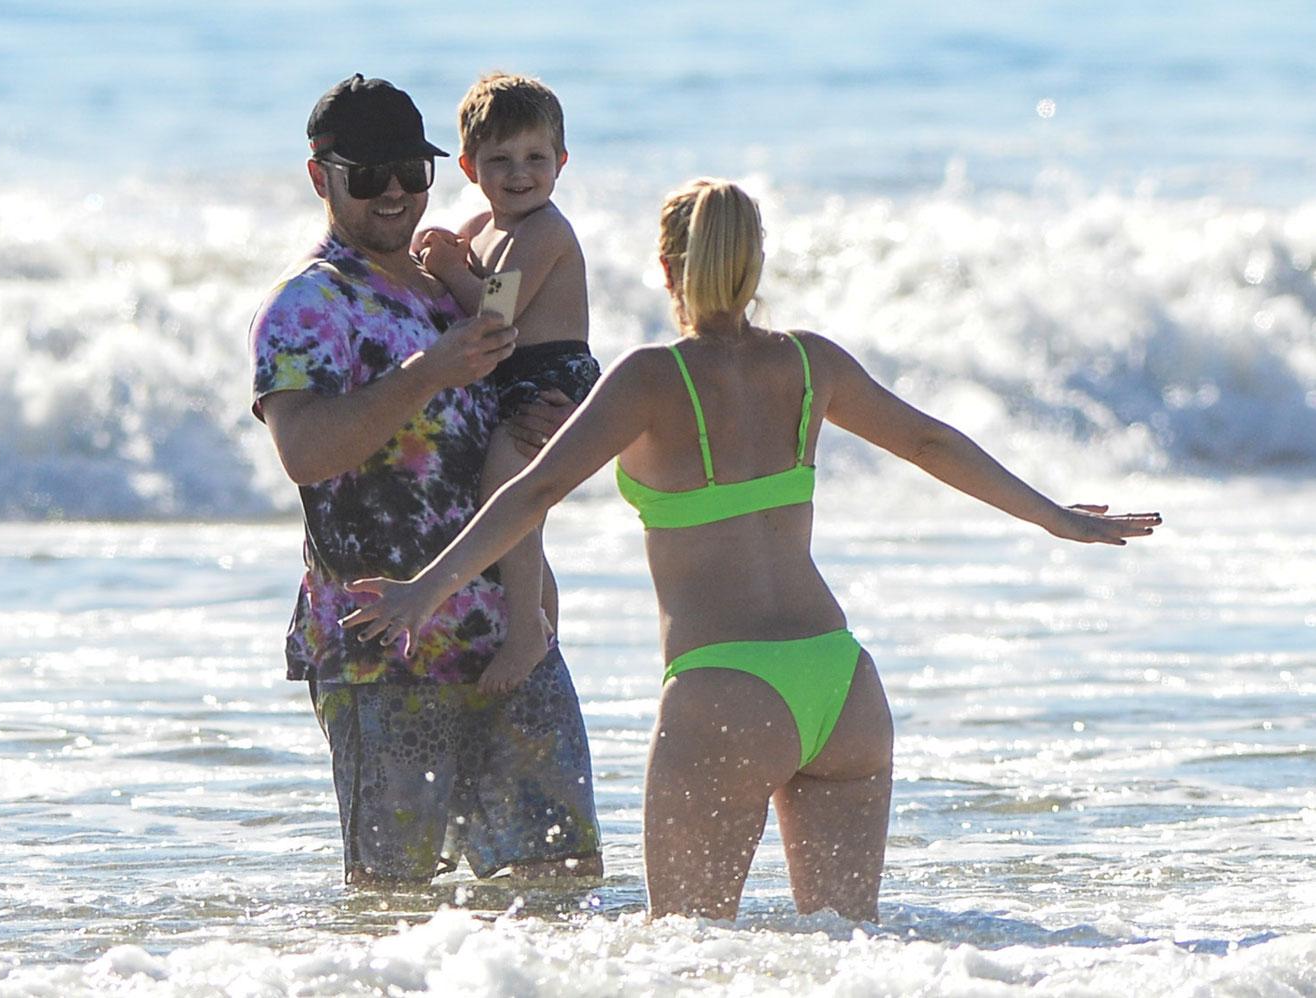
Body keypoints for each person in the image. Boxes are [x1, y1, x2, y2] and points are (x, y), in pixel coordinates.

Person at [340, 178, 1160, 920]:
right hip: (842, 687)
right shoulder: (810, 362)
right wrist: (1056, 516)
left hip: (723, 693)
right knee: (846, 955)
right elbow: (930, 444)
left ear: (668, 269)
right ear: (753, 262)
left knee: (689, 959)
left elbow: (534, 490)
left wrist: (426, 588)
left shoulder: (649, 378)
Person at [248, 73, 602, 886]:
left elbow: (500, 443)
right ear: (320, 177)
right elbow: (304, 452)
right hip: (386, 649)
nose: (395, 193)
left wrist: (551, 420)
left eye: (412, 171)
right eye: (368, 175)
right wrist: (427, 374)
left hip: (510, 636)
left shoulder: (453, 284)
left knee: (559, 887)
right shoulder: (310, 302)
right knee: (393, 903)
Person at [414, 72, 598, 696]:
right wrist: (441, 249)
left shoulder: (544, 229)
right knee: (522, 523)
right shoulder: (483, 227)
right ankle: (543, 625)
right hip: (515, 377)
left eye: (535, 158)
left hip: (551, 381)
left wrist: (445, 270)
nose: (520, 173)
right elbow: (467, 280)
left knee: (507, 497)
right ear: (469, 166)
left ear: (561, 162)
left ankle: (526, 633)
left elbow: (494, 316)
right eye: (500, 160)